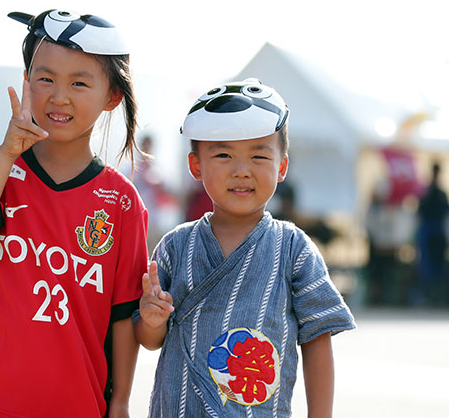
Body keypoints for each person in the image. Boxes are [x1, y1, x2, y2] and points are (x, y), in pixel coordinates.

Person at [0, 9, 148, 418]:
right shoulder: (1, 167)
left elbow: (124, 314)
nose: (59, 95)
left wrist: (121, 401)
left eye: (79, 82)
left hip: (78, 405)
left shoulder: (122, 201)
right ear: (26, 79)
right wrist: (5, 154)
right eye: (45, 78)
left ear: (112, 97)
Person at [134, 79, 356, 417]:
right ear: (196, 166)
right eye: (223, 155)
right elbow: (149, 340)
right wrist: (152, 320)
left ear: (281, 167)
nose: (241, 170)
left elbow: (317, 340)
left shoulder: (293, 249)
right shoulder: (175, 247)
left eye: (258, 155)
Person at [415, 162, 449, 307]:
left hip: (438, 232)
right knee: (426, 266)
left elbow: (448, 213)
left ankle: (438, 296)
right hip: (428, 232)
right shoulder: (427, 192)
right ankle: (427, 295)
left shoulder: (441, 193)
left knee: (439, 265)